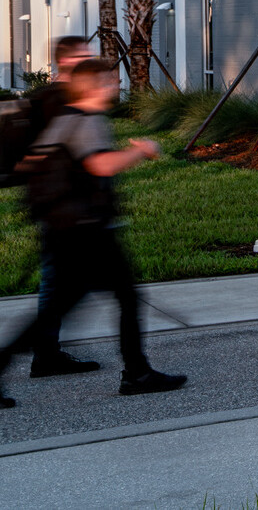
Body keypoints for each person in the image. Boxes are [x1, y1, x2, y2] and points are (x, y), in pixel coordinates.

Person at [0, 58, 186, 407]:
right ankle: (137, 374)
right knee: (122, 298)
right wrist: (140, 151)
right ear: (95, 87)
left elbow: (32, 163)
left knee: (67, 305)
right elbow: (99, 164)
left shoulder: (64, 118)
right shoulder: (86, 121)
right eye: (112, 80)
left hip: (66, 227)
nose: (117, 85)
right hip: (86, 230)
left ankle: (137, 370)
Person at [22, 35, 97, 379]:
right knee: (58, 283)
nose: (89, 60)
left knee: (62, 282)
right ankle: (42, 353)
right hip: (63, 208)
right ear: (65, 62)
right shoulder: (55, 100)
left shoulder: (62, 98)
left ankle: (46, 352)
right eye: (83, 55)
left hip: (69, 206)